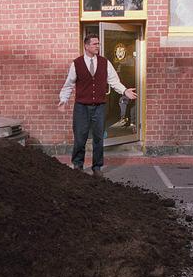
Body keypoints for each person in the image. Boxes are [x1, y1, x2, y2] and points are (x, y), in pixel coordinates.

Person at [58, 34, 137, 177]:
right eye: (95, 44)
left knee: (99, 137)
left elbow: (114, 82)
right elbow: (69, 85)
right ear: (86, 46)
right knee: (80, 136)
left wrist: (125, 91)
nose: (98, 46)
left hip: (100, 106)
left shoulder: (105, 63)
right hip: (81, 107)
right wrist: (63, 100)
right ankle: (78, 165)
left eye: (98, 44)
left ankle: (97, 167)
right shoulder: (76, 63)